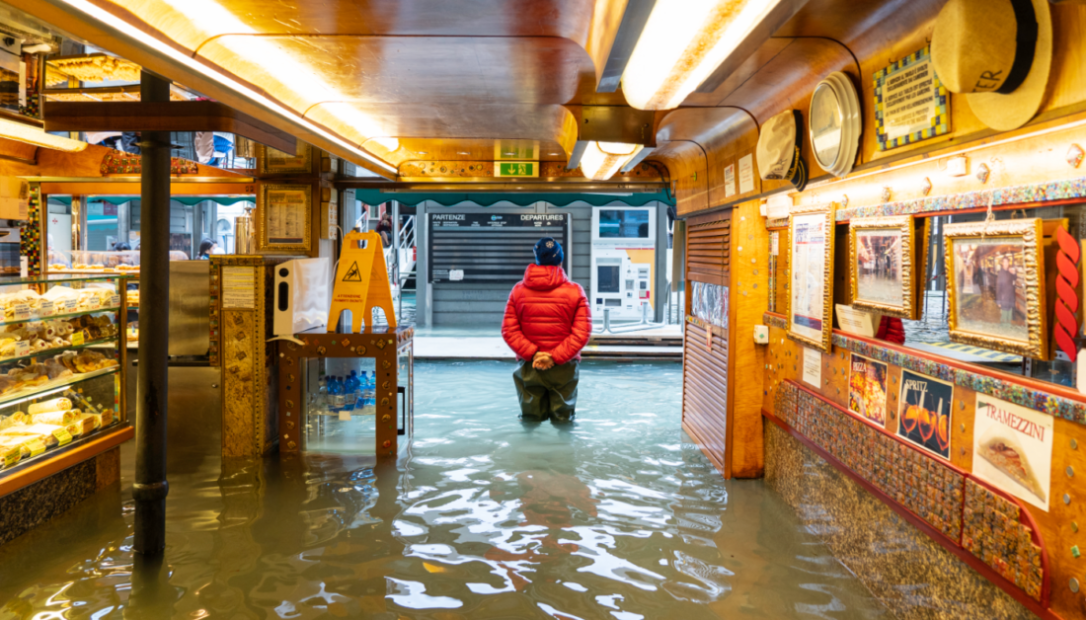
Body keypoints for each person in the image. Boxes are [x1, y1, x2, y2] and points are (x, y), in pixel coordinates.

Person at [502, 238, 591, 422]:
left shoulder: (518, 291)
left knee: (530, 419)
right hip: (564, 366)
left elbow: (509, 330)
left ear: (537, 260)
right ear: (561, 260)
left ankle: (529, 451)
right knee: (564, 420)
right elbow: (582, 333)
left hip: (529, 366)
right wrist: (553, 357)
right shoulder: (576, 291)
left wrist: (534, 354)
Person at [996, 255, 1017, 323]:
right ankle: (1003, 330)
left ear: (1008, 263)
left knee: (1009, 317)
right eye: (1004, 262)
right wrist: (999, 301)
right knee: (1004, 318)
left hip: (1010, 298)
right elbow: (998, 287)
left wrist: (1014, 273)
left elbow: (1014, 278)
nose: (1006, 263)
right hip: (1004, 299)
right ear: (1002, 263)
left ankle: (1008, 329)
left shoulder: (1009, 271)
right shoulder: (1000, 274)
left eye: (1007, 262)